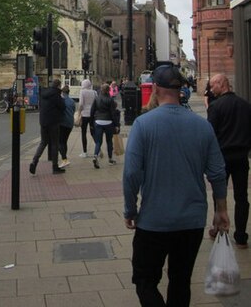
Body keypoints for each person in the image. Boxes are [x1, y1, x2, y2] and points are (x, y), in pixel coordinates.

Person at [123, 64, 229, 307]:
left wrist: (130, 210)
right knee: (181, 281)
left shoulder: (143, 124)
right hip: (191, 220)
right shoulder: (202, 126)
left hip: (153, 221)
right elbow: (217, 173)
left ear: (157, 89)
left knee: (145, 280)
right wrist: (221, 210)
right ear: (181, 89)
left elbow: (131, 174)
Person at [207, 73, 251, 248]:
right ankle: (241, 236)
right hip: (241, 157)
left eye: (212, 86)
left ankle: (218, 228)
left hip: (221, 158)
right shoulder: (245, 105)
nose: (211, 89)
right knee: (242, 197)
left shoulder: (215, 107)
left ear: (221, 84)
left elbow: (210, 135)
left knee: (219, 194)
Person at [29, 79, 66, 175]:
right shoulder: (56, 94)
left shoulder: (44, 93)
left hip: (43, 122)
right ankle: (55, 167)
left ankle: (34, 161)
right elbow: (62, 106)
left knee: (43, 142)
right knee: (54, 144)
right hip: (53, 122)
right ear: (58, 86)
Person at [90, 83, 120, 169]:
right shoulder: (110, 100)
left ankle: (95, 155)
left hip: (98, 121)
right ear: (108, 90)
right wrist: (116, 124)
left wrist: (91, 123)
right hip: (108, 122)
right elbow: (113, 113)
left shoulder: (96, 99)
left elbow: (92, 112)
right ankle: (110, 159)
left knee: (98, 141)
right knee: (109, 141)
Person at [77, 79, 97, 157]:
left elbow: (81, 103)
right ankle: (97, 149)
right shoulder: (94, 92)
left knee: (83, 133)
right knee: (93, 132)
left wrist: (79, 112)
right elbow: (96, 102)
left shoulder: (82, 92)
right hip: (92, 115)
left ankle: (84, 152)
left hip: (84, 114)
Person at [58, 85, 75, 168]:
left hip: (62, 123)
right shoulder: (72, 101)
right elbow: (73, 111)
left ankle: (64, 159)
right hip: (70, 123)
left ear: (62, 92)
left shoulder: (61, 100)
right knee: (64, 141)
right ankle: (64, 158)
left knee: (59, 142)